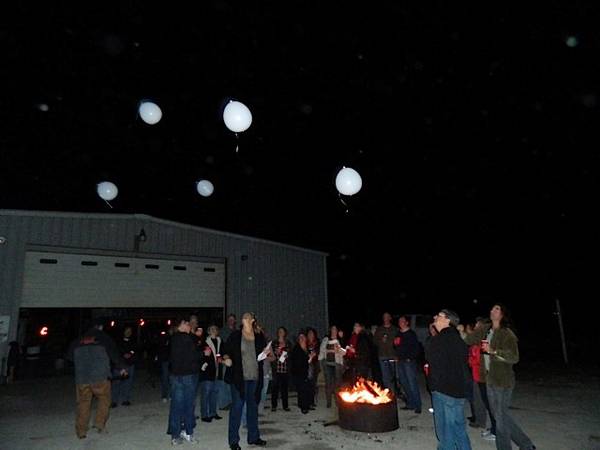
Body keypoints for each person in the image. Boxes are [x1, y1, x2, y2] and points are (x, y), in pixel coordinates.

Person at [465, 304, 536, 450]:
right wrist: (460, 332)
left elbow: (514, 357)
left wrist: (494, 351)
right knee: (500, 417)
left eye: (496, 309)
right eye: (491, 308)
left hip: (502, 380)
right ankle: (526, 445)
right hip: (489, 380)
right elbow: (469, 340)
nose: (492, 311)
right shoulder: (485, 329)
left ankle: (510, 447)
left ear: (503, 314)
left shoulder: (507, 333)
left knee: (500, 418)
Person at [67, 318, 126, 439]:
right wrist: (122, 368)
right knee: (104, 399)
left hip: (82, 377)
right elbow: (114, 354)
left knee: (83, 403)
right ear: (100, 327)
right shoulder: (104, 338)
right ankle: (99, 424)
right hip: (100, 376)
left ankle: (81, 431)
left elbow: (69, 357)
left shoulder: (78, 340)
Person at [425, 309, 472, 450]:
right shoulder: (459, 339)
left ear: (447, 321)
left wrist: (433, 386)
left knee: (446, 433)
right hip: (459, 392)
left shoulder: (438, 340)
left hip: (444, 392)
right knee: (459, 429)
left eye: (439, 315)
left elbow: (433, 363)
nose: (435, 317)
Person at [222, 312, 268, 450]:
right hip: (239, 379)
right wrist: (226, 358)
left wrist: (266, 352)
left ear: (252, 320)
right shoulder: (235, 335)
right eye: (243, 317)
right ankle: (233, 441)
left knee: (253, 409)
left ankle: (253, 437)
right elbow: (225, 350)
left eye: (247, 317)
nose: (244, 319)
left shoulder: (259, 336)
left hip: (254, 378)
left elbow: (264, 352)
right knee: (236, 408)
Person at [167, 317, 201, 445]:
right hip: (187, 376)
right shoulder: (185, 338)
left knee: (176, 406)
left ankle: (175, 436)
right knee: (188, 405)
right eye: (186, 323)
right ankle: (188, 432)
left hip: (176, 376)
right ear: (181, 325)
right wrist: (204, 354)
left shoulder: (174, 338)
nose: (189, 325)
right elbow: (194, 355)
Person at [394, 315, 422, 413]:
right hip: (400, 361)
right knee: (404, 383)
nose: (400, 323)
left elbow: (416, 348)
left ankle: (418, 405)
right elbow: (396, 346)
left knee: (412, 383)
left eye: (402, 321)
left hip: (409, 362)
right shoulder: (398, 333)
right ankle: (410, 403)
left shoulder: (411, 334)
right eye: (399, 321)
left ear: (406, 323)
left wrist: (410, 358)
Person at [199, 325, 224, 423]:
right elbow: (203, 356)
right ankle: (204, 415)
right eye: (211, 329)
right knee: (206, 394)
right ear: (208, 331)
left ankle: (213, 413)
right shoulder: (205, 342)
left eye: (215, 329)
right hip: (207, 372)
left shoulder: (220, 341)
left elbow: (221, 354)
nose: (214, 330)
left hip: (217, 371)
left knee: (214, 393)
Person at [319, 325, 346, 408]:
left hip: (337, 364)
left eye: (335, 329)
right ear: (330, 330)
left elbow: (344, 352)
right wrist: (330, 350)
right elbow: (322, 350)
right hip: (328, 364)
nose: (334, 331)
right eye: (333, 329)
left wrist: (339, 350)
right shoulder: (326, 339)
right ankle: (329, 402)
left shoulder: (339, 340)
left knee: (338, 384)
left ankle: (338, 402)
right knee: (328, 384)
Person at [111, 326, 138, 407]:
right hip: (119, 365)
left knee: (128, 383)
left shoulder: (133, 341)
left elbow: (135, 350)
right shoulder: (117, 340)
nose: (128, 332)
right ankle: (114, 401)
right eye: (127, 330)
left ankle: (125, 400)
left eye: (130, 331)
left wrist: (131, 353)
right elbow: (115, 351)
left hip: (130, 364)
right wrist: (123, 354)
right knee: (116, 383)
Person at [374, 312, 399, 394]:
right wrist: (381, 341)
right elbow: (374, 341)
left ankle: (397, 392)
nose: (386, 318)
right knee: (385, 377)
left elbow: (399, 342)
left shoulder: (395, 329)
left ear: (390, 318)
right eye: (384, 317)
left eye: (387, 317)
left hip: (393, 355)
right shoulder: (379, 329)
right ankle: (389, 393)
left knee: (395, 375)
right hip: (382, 356)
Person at [291, 332, 314, 414]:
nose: (302, 339)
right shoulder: (296, 349)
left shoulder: (306, 348)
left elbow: (307, 360)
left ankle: (307, 404)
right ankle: (303, 407)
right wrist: (309, 359)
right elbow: (298, 362)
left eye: (303, 337)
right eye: (300, 337)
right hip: (299, 372)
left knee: (306, 389)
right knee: (302, 390)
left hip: (305, 372)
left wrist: (310, 358)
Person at [270, 326, 292, 411]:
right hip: (276, 368)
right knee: (275, 388)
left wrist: (283, 353)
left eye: (282, 331)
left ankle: (285, 406)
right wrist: (276, 353)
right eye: (279, 331)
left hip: (285, 369)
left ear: (285, 333)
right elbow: (271, 354)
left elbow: (289, 355)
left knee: (284, 389)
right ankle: (274, 406)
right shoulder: (274, 343)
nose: (280, 333)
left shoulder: (288, 343)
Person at [219, 313, 237, 410]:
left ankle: (231, 402)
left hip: (235, 359)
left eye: (232, 319)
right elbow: (221, 345)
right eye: (229, 319)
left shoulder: (236, 331)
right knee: (224, 380)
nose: (231, 321)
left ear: (235, 321)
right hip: (226, 358)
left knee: (232, 380)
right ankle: (223, 403)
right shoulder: (223, 331)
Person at [157, 326, 174, 402]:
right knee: (165, 378)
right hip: (165, 361)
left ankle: (170, 395)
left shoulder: (174, 338)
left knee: (171, 379)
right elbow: (161, 349)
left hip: (172, 361)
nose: (172, 331)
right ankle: (164, 395)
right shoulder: (164, 338)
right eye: (170, 330)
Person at [306, 327, 320, 408]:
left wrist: (315, 354)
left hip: (314, 365)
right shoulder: (305, 343)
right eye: (309, 333)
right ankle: (307, 401)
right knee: (307, 383)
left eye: (312, 333)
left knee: (313, 383)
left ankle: (312, 401)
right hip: (307, 364)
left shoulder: (317, 343)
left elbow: (319, 352)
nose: (310, 335)